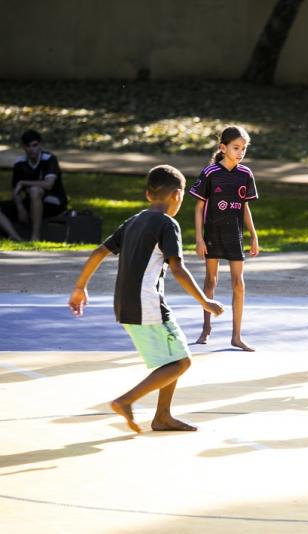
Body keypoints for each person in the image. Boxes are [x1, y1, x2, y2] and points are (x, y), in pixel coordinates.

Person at [68, 165, 224, 433]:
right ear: (177, 195)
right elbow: (177, 268)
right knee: (181, 362)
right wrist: (204, 302)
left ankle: (162, 416)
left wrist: (79, 287)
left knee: (173, 357)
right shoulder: (167, 224)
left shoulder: (134, 221)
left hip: (126, 302)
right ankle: (126, 400)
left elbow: (98, 252)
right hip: (147, 303)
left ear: (148, 194)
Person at [190, 125, 259, 351]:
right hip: (213, 235)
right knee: (211, 281)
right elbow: (199, 208)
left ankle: (236, 336)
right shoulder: (210, 173)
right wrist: (199, 239)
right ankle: (206, 328)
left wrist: (253, 235)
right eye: (236, 148)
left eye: (244, 149)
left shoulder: (245, 174)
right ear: (223, 147)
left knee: (239, 284)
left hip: (234, 236)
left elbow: (245, 207)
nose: (240, 152)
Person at [0, 130, 67, 241]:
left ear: (40, 145)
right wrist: (20, 208)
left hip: (53, 202)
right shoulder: (19, 163)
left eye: (34, 145)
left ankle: (35, 236)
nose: (32, 149)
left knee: (35, 190)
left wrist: (23, 182)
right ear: (23, 147)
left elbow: (48, 185)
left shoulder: (49, 159)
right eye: (28, 146)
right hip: (30, 202)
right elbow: (16, 191)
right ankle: (15, 236)